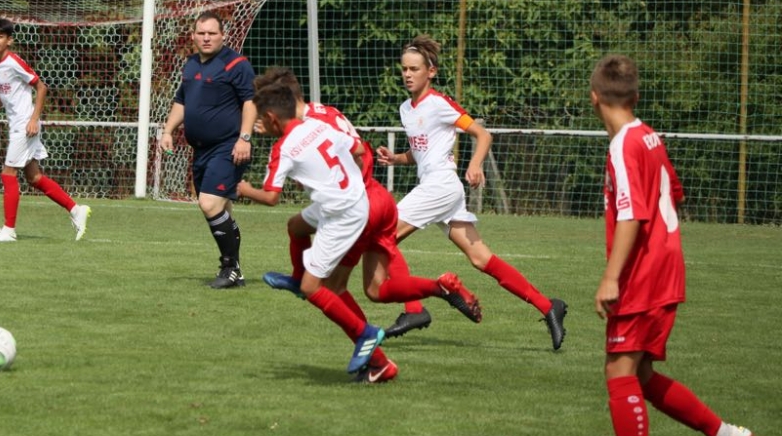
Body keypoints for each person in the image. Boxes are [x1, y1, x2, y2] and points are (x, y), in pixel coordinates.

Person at [241, 75, 482, 383]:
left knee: (328, 288)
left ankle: (372, 350)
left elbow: (277, 192)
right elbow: (357, 150)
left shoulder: (296, 135)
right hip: (378, 198)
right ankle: (439, 289)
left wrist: (333, 186)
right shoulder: (325, 115)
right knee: (374, 288)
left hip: (354, 207)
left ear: (275, 108)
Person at [590, 54, 754, 436]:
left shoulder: (623, 144)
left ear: (594, 98)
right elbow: (674, 193)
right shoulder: (649, 136)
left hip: (642, 274)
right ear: (635, 97)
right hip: (666, 267)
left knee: (619, 373)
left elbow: (632, 213)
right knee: (640, 375)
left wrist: (612, 277)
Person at [376, 34, 568, 350]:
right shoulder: (406, 109)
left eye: (414, 69)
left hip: (441, 186)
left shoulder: (439, 104)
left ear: (431, 72)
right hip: (436, 187)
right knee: (481, 258)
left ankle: (414, 309)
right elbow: (421, 152)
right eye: (404, 69)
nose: (408, 74)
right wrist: (397, 158)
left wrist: (475, 164)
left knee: (382, 236)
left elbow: (482, 134)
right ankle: (548, 306)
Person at [237, 80, 387, 376]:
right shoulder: (318, 125)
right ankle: (296, 277)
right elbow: (358, 147)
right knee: (296, 226)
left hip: (341, 214)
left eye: (261, 120)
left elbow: (270, 198)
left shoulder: (283, 149)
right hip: (355, 198)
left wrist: (244, 190)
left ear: (271, 118)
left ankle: (365, 333)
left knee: (313, 287)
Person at [160, 11, 256, 289]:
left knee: (209, 203)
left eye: (212, 33)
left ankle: (229, 268)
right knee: (221, 209)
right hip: (201, 150)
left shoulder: (236, 64)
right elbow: (182, 101)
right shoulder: (190, 64)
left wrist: (244, 138)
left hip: (228, 147)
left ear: (223, 36)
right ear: (193, 36)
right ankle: (236, 271)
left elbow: (250, 102)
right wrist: (168, 131)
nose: (206, 38)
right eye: (201, 33)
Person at [0, 18, 91, 243]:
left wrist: (34, 119)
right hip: (16, 125)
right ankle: (76, 210)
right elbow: (3, 93)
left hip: (25, 125)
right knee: (34, 177)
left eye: (0, 36)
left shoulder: (14, 61)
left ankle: (9, 230)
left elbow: (41, 87)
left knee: (8, 173)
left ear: (9, 40)